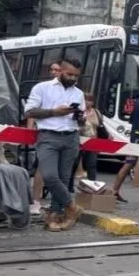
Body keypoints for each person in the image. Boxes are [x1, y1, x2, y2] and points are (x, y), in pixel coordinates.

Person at [23, 58, 86, 232]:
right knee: (50, 176)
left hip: (71, 137)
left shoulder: (78, 93)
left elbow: (81, 123)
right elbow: (28, 111)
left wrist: (80, 118)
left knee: (65, 179)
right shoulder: (42, 88)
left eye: (76, 76)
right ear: (60, 71)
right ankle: (73, 207)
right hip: (49, 136)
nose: (73, 78)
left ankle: (55, 216)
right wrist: (54, 112)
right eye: (69, 74)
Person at [27, 62, 63, 215]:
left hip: (64, 134)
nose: (54, 72)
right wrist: (30, 130)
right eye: (52, 69)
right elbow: (32, 111)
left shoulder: (70, 90)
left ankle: (57, 203)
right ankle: (36, 201)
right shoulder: (43, 88)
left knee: (60, 172)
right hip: (45, 134)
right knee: (42, 169)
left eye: (57, 70)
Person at [69, 92, 103, 190]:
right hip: (78, 140)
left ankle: (92, 186)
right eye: (86, 100)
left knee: (91, 164)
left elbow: (101, 126)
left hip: (93, 141)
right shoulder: (79, 111)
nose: (88, 102)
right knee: (74, 163)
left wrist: (107, 136)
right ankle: (69, 185)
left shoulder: (96, 112)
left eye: (90, 100)